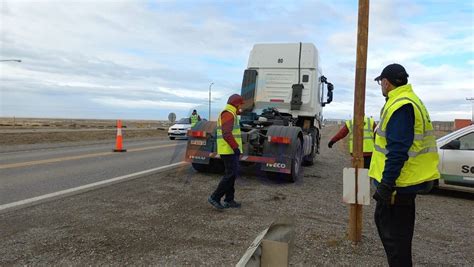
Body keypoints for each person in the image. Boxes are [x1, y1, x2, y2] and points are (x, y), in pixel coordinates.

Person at [369, 63, 440, 266]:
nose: (381, 86)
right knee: (397, 241)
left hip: (397, 188)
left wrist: (386, 185)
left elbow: (398, 150)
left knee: (396, 244)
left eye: (381, 83)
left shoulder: (401, 105)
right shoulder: (411, 100)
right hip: (402, 185)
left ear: (386, 82)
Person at [208, 94, 244, 210]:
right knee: (230, 175)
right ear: (237, 104)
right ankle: (215, 197)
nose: (241, 107)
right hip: (228, 150)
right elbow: (227, 133)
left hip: (229, 150)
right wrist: (235, 148)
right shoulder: (228, 113)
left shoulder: (231, 112)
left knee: (231, 175)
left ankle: (229, 200)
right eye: (240, 105)